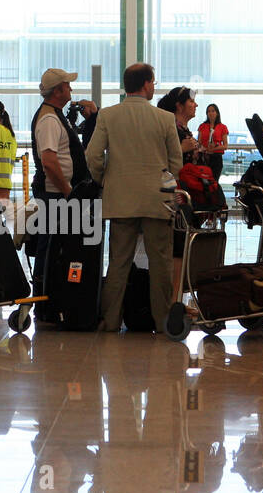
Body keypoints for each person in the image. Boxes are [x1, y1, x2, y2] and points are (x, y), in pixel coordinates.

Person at [86, 63, 182, 333]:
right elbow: (176, 161)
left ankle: (112, 321)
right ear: (146, 84)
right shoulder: (164, 118)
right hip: (157, 200)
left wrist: (105, 180)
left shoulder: (108, 116)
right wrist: (165, 183)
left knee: (118, 262)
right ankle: (163, 323)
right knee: (160, 263)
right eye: (153, 82)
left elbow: (92, 156)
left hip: (121, 200)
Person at [30, 68, 96, 323]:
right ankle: (44, 302)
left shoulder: (56, 116)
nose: (70, 89)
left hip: (59, 194)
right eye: (67, 85)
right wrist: (70, 194)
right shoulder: (48, 119)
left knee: (55, 247)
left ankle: (51, 299)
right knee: (49, 249)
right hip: (55, 194)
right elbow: (49, 161)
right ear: (57, 90)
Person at [157, 86, 201, 304]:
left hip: (186, 196)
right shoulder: (170, 129)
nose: (196, 106)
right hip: (175, 196)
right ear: (179, 105)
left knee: (183, 249)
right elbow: (161, 160)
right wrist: (182, 149)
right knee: (176, 250)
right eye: (191, 102)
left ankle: (177, 301)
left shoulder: (184, 130)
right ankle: (173, 302)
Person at [197, 103, 229, 180]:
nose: (210, 113)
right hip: (204, 157)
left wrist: (214, 148)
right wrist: (204, 149)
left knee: (214, 181)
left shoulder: (222, 127)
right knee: (203, 181)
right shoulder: (202, 126)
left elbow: (225, 146)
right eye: (208, 111)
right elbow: (199, 143)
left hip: (216, 158)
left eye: (213, 111)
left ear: (217, 113)